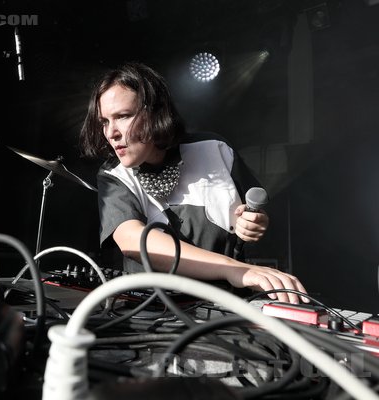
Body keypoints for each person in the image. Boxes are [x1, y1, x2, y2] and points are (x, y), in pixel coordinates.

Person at [79, 62, 308, 304]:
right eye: (104, 121)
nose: (111, 132)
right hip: (151, 311)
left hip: (226, 305)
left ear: (156, 112)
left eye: (123, 116)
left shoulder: (215, 148)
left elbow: (251, 214)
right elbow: (133, 241)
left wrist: (253, 223)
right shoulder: (113, 174)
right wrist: (235, 269)